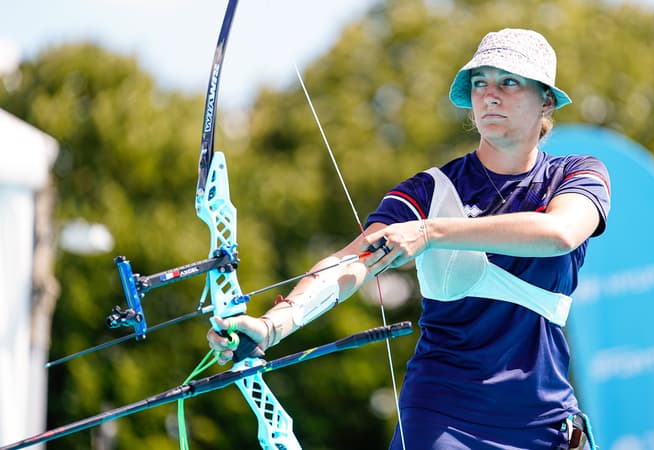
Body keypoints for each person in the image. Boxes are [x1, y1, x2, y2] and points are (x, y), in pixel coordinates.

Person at [208, 28, 610, 450]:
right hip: (441, 419)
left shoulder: (575, 173)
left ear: (546, 99)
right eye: (479, 83)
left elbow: (560, 233)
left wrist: (429, 232)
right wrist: (272, 326)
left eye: (509, 81)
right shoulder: (429, 190)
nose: (490, 95)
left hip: (544, 421)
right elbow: (354, 262)